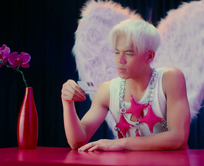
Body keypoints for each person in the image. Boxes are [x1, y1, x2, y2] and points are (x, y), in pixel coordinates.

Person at [61, 19, 190, 151]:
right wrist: (67, 102)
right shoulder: (108, 90)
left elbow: (179, 138)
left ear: (149, 56)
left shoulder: (170, 78)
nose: (120, 60)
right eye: (117, 52)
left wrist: (121, 143)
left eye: (129, 53)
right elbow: (77, 141)